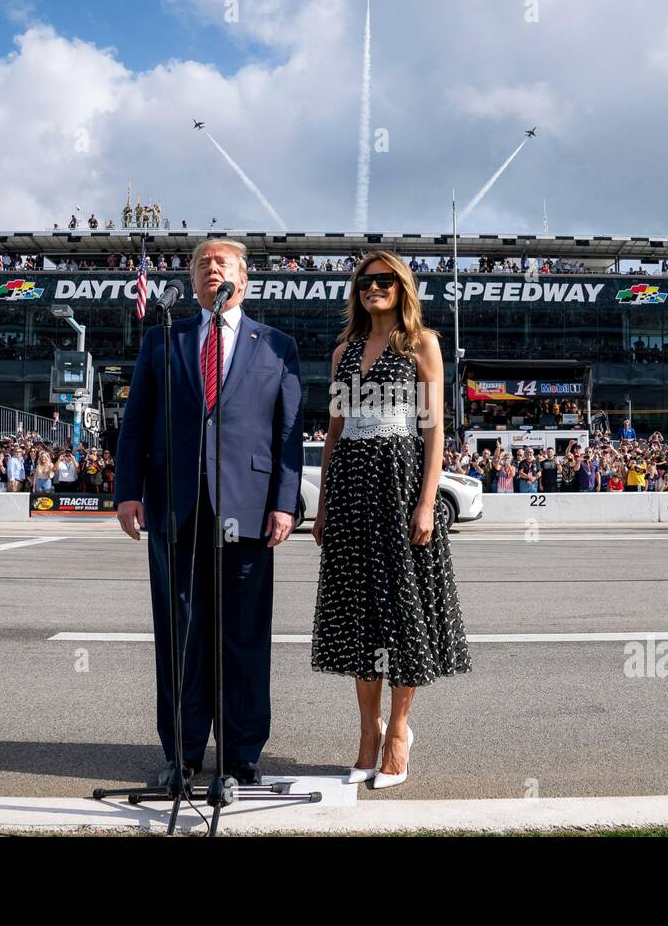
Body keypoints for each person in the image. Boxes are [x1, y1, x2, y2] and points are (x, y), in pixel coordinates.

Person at [115, 237, 303, 789]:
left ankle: (242, 751)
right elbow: (136, 420)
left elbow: (287, 435)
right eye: (201, 264)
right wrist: (128, 491)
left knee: (244, 635)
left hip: (246, 508)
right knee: (181, 634)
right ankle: (184, 750)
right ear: (193, 281)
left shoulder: (277, 345)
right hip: (175, 505)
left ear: (244, 278)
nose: (210, 269)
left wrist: (284, 503)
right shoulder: (163, 338)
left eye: (221, 263)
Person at [311, 249, 471, 790]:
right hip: (352, 488)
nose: (373, 288)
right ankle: (365, 734)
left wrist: (426, 503)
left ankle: (399, 729)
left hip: (399, 485)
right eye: (364, 282)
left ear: (402, 288)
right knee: (358, 614)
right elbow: (335, 431)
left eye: (383, 280)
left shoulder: (422, 344)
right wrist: (326, 504)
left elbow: (433, 431)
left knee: (403, 611)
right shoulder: (343, 353)